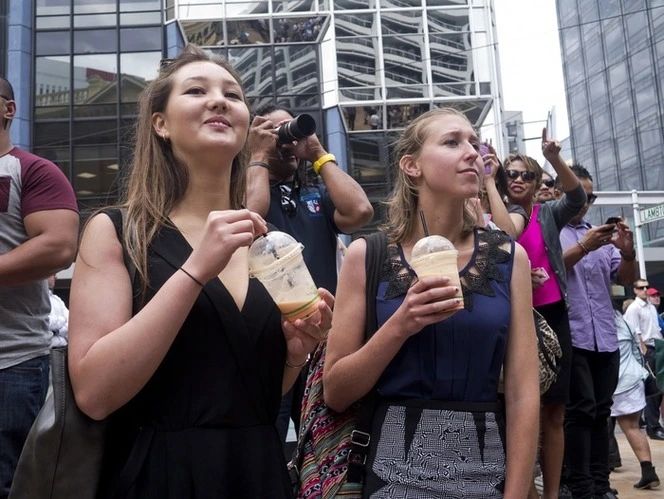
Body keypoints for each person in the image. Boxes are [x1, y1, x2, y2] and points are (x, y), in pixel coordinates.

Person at [67, 45, 332, 498]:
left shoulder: (262, 241)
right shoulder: (116, 231)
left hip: (257, 471)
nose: (219, 100)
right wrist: (194, 272)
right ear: (161, 124)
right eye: (196, 90)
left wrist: (294, 352)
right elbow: (94, 393)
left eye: (232, 93)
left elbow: (255, 395)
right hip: (158, 476)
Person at [323, 108, 540, 497]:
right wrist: (401, 323)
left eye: (474, 142)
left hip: (484, 465)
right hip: (391, 471)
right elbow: (336, 391)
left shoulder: (510, 258)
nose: (473, 152)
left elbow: (524, 392)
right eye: (452, 142)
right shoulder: (366, 256)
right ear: (411, 166)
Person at [246, 104, 372, 444]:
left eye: (289, 130)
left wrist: (316, 152)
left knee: (321, 438)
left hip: (319, 331)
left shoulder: (314, 193)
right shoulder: (245, 190)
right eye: (275, 131)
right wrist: (256, 155)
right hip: (269, 334)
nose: (285, 140)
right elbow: (250, 221)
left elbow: (360, 210)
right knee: (266, 431)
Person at [0, 76, 79, 499]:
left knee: (13, 484)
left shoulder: (31, 170)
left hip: (11, 361)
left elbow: (58, 246)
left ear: (8, 110)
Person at [503, 135, 587, 499]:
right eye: (510, 174)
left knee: (553, 411)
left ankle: (550, 494)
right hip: (510, 320)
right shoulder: (489, 217)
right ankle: (522, 490)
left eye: (525, 175)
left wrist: (554, 158)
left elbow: (577, 197)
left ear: (537, 184)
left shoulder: (548, 214)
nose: (517, 180)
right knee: (515, 409)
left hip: (551, 316)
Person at [559, 164, 636, 499]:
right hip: (572, 335)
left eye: (589, 196)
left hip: (605, 337)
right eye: (578, 194)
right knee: (581, 410)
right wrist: (584, 247)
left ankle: (600, 485)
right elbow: (545, 272)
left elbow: (627, 280)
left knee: (602, 411)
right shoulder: (551, 230)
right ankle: (579, 486)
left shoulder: (602, 237)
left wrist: (628, 251)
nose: (584, 202)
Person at [611, 302, 660, 490]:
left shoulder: (597, 324)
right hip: (633, 379)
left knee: (598, 428)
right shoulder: (626, 323)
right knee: (633, 428)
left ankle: (600, 480)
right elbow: (638, 352)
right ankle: (648, 471)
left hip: (612, 382)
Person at [624, 280, 664, 441]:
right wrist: (644, 353)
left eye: (646, 286)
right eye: (641, 287)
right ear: (635, 290)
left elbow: (656, 330)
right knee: (652, 389)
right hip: (647, 350)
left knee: (659, 388)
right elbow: (635, 332)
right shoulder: (634, 308)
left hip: (658, 347)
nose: (645, 290)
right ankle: (653, 427)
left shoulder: (651, 307)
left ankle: (655, 425)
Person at [47, 274, 69, 348]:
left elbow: (71, 325)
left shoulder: (57, 299)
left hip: (61, 352)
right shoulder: (32, 300)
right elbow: (43, 323)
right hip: (43, 352)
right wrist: (62, 320)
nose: (56, 277)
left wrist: (55, 331)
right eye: (53, 274)